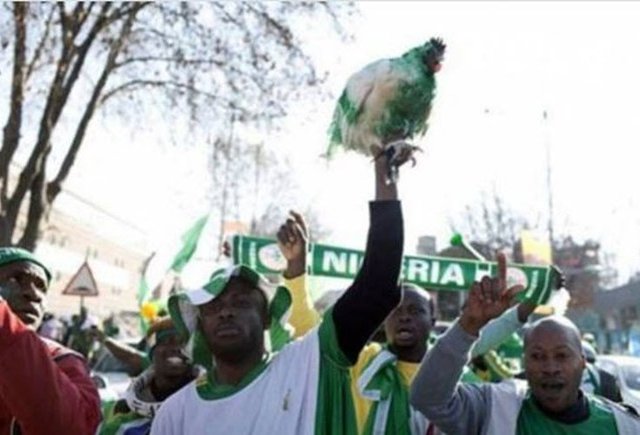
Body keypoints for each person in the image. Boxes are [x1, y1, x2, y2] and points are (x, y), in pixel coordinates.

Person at [151, 145, 409, 434]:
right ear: (199, 325)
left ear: (266, 317)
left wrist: (384, 173)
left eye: (241, 302)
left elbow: (377, 284)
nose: (225, 312)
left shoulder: (310, 362)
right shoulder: (175, 415)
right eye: (212, 307)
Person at [277, 212, 538, 435]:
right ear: (383, 321)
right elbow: (312, 334)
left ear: (433, 319)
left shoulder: (455, 381)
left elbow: (481, 340)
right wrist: (296, 270)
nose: (404, 317)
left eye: (415, 311)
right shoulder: (360, 363)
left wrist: (532, 298)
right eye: (395, 311)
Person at [410, 253, 640, 434]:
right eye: (537, 356)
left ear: (582, 363)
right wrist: (468, 325)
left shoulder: (625, 426)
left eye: (561, 355)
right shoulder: (493, 409)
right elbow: (427, 399)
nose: (550, 368)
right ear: (525, 364)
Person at [0, 247, 101, 434]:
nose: (34, 294)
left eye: (42, 287)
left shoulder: (64, 360)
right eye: (16, 279)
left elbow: (70, 428)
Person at [98, 317, 198, 435]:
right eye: (166, 341)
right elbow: (129, 356)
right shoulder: (121, 415)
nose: (176, 348)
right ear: (152, 354)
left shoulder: (206, 404)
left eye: (184, 343)